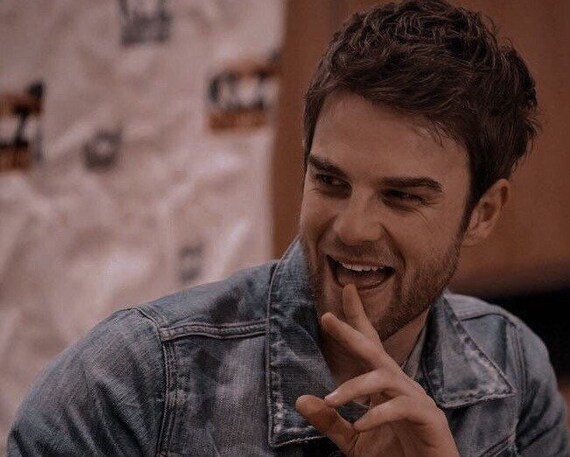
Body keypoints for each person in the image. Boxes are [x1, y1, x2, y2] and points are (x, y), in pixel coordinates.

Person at [8, 0, 570, 455]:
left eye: (401, 197)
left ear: (483, 213)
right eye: (330, 181)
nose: (352, 228)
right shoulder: (129, 383)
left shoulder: (515, 368)